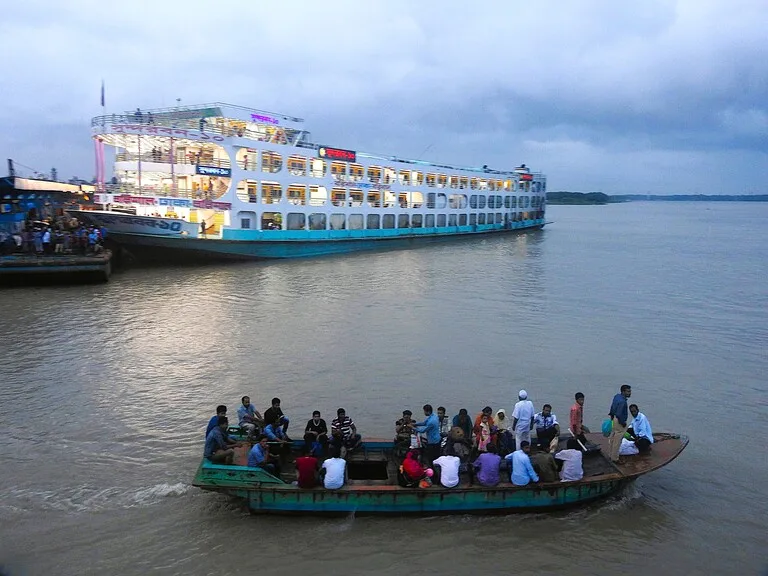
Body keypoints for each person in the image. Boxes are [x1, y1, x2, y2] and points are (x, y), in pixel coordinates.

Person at [608, 385, 632, 462]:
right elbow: (619, 414)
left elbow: (612, 407)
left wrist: (612, 417)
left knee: (612, 437)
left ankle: (610, 454)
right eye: (628, 391)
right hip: (619, 421)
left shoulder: (616, 397)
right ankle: (615, 458)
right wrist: (623, 423)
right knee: (617, 441)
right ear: (623, 392)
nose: (630, 393)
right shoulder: (623, 402)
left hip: (614, 418)